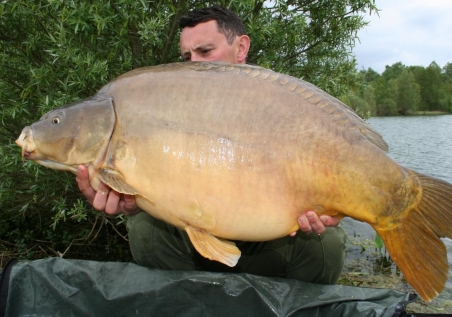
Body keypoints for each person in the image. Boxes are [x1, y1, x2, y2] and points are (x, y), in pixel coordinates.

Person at [76, 5, 347, 284]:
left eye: (205, 52)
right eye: (186, 56)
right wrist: (131, 201)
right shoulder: (165, 111)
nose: (193, 63)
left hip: (269, 241)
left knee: (324, 244)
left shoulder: (279, 106)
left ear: (241, 48)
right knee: (146, 230)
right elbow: (165, 188)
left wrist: (328, 208)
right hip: (194, 242)